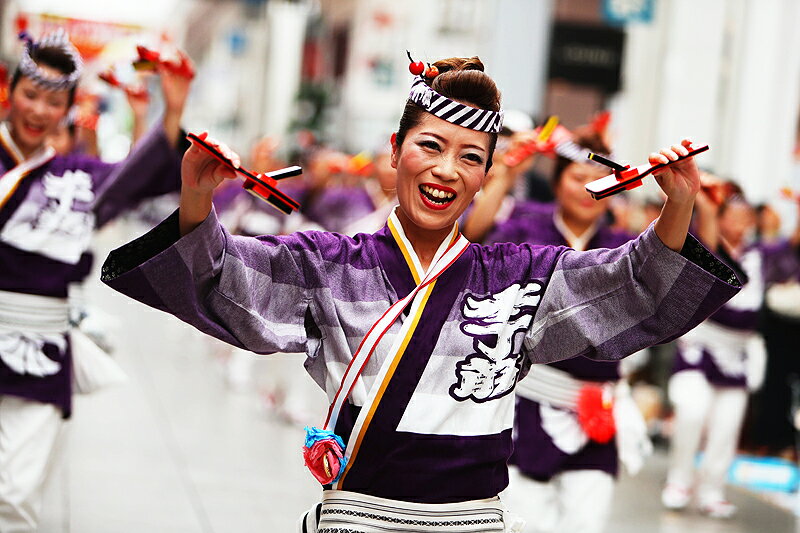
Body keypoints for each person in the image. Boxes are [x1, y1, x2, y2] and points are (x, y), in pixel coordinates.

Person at [102, 56, 740, 532]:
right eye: (429, 146)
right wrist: (196, 197)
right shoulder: (329, 265)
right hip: (360, 520)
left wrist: (678, 204)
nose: (445, 169)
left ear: (487, 175)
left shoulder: (522, 274)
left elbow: (633, 285)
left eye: (469, 157)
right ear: (396, 152)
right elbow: (219, 278)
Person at [0, 30, 191, 531]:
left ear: (67, 109)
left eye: (54, 101)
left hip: (38, 350)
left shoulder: (77, 177)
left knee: (16, 492)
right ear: (11, 91)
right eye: (31, 94)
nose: (40, 111)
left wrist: (169, 114)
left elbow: (136, 176)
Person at [470, 130, 648, 533]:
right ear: (556, 182)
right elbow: (471, 239)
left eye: (599, 179)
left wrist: (681, 200)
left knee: (587, 523)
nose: (588, 189)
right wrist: (502, 178)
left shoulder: (627, 246)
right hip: (528, 402)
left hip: (596, 410)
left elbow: (673, 262)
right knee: (524, 522)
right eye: (576, 177)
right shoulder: (524, 230)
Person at [662, 181, 800, 518]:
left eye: (746, 218)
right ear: (722, 219)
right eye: (733, 217)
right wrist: (706, 203)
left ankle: (711, 489)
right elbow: (706, 235)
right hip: (702, 342)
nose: (740, 224)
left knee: (727, 424)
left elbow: (792, 245)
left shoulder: (761, 256)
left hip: (738, 350)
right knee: (693, 411)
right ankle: (679, 480)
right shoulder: (708, 246)